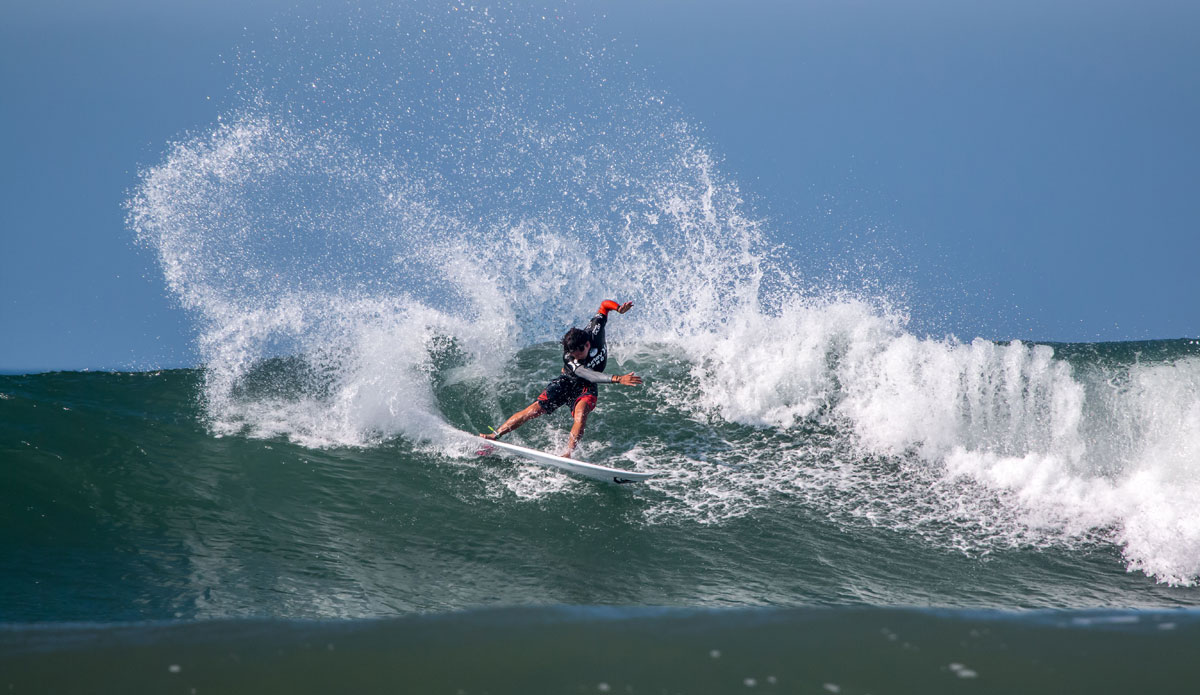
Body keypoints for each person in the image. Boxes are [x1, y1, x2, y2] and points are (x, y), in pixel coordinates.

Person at [480, 299, 642, 458]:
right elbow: (589, 374)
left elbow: (604, 305)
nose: (575, 358)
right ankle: (496, 434)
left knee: (581, 414)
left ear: (586, 345)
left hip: (586, 387)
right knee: (534, 410)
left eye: (578, 355)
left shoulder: (595, 330)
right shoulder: (570, 358)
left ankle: (567, 453)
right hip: (566, 382)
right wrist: (618, 379)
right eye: (572, 355)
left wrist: (618, 308)